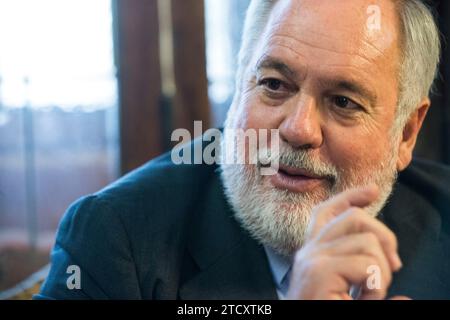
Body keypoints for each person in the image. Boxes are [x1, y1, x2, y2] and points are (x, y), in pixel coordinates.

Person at [36, 0, 450, 300]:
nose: (298, 130)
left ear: (406, 134)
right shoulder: (112, 238)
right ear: (239, 86)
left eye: (343, 101)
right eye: (274, 84)